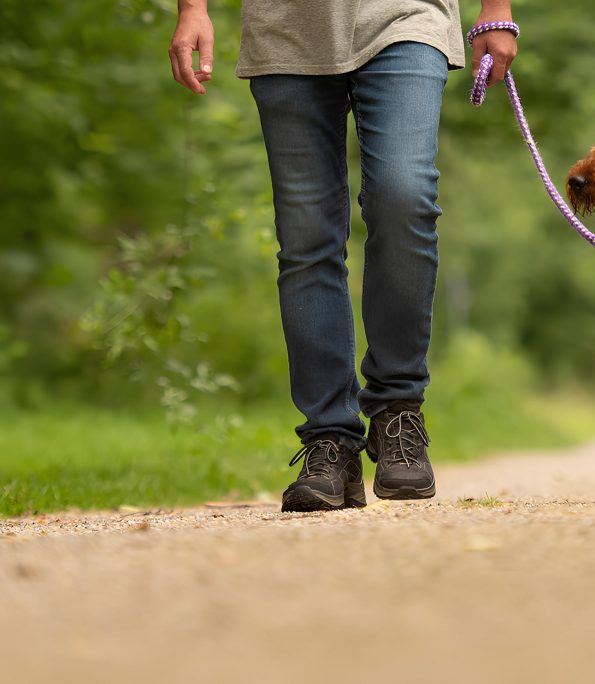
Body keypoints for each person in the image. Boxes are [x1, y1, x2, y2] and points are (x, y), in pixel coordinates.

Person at [169, 1, 517, 511]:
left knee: (404, 196)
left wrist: (496, 9)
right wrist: (192, 8)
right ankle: (329, 441)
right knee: (306, 238)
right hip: (284, 30)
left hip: (406, 16)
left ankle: (398, 408)